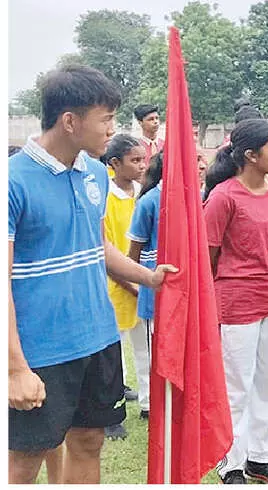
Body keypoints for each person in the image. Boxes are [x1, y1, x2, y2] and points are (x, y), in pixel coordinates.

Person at [9, 64, 176, 484]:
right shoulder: (12, 182)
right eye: (105, 119)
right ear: (70, 121)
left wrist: (147, 276)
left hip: (98, 339)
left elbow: (96, 244)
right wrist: (14, 368)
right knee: (25, 460)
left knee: (88, 443)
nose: (112, 130)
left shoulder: (95, 174)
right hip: (41, 350)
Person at [204, 119, 268, 485]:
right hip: (237, 301)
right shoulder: (223, 197)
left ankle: (261, 458)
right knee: (235, 386)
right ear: (250, 156)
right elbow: (207, 258)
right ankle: (230, 462)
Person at [100, 135, 148, 441]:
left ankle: (149, 402)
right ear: (115, 164)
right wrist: (129, 281)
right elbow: (105, 248)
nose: (142, 166)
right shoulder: (104, 195)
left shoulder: (142, 193)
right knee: (112, 352)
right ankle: (112, 411)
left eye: (144, 160)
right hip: (114, 284)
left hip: (141, 282)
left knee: (145, 346)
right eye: (135, 160)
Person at [127, 152, 165, 421]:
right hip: (154, 288)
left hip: (182, 288)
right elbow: (134, 254)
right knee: (152, 349)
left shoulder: (196, 198)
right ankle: (149, 403)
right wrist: (140, 282)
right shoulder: (150, 202)